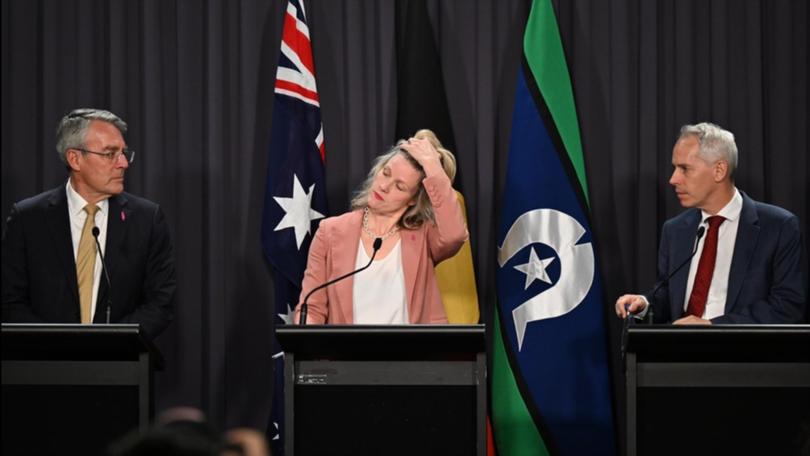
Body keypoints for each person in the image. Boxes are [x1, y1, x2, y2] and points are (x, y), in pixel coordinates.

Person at [1, 108, 176, 339]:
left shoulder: (147, 219)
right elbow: (10, 301)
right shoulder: (27, 219)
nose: (123, 163)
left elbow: (160, 302)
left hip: (118, 367)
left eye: (124, 153)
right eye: (110, 153)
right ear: (75, 159)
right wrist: (54, 345)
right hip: (42, 366)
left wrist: (107, 343)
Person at [615, 122, 806, 324]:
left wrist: (713, 328)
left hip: (746, 353)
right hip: (679, 353)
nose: (673, 179)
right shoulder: (675, 230)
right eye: (674, 168)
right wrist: (645, 304)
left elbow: (787, 307)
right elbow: (668, 296)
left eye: (684, 169)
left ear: (719, 170)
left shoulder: (779, 227)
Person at [294, 129, 468, 324]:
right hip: (346, 354)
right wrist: (307, 346)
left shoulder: (423, 237)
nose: (384, 186)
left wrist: (433, 167)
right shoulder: (330, 232)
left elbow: (455, 235)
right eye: (386, 173)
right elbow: (312, 308)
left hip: (411, 354)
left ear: (412, 200)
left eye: (399, 186)